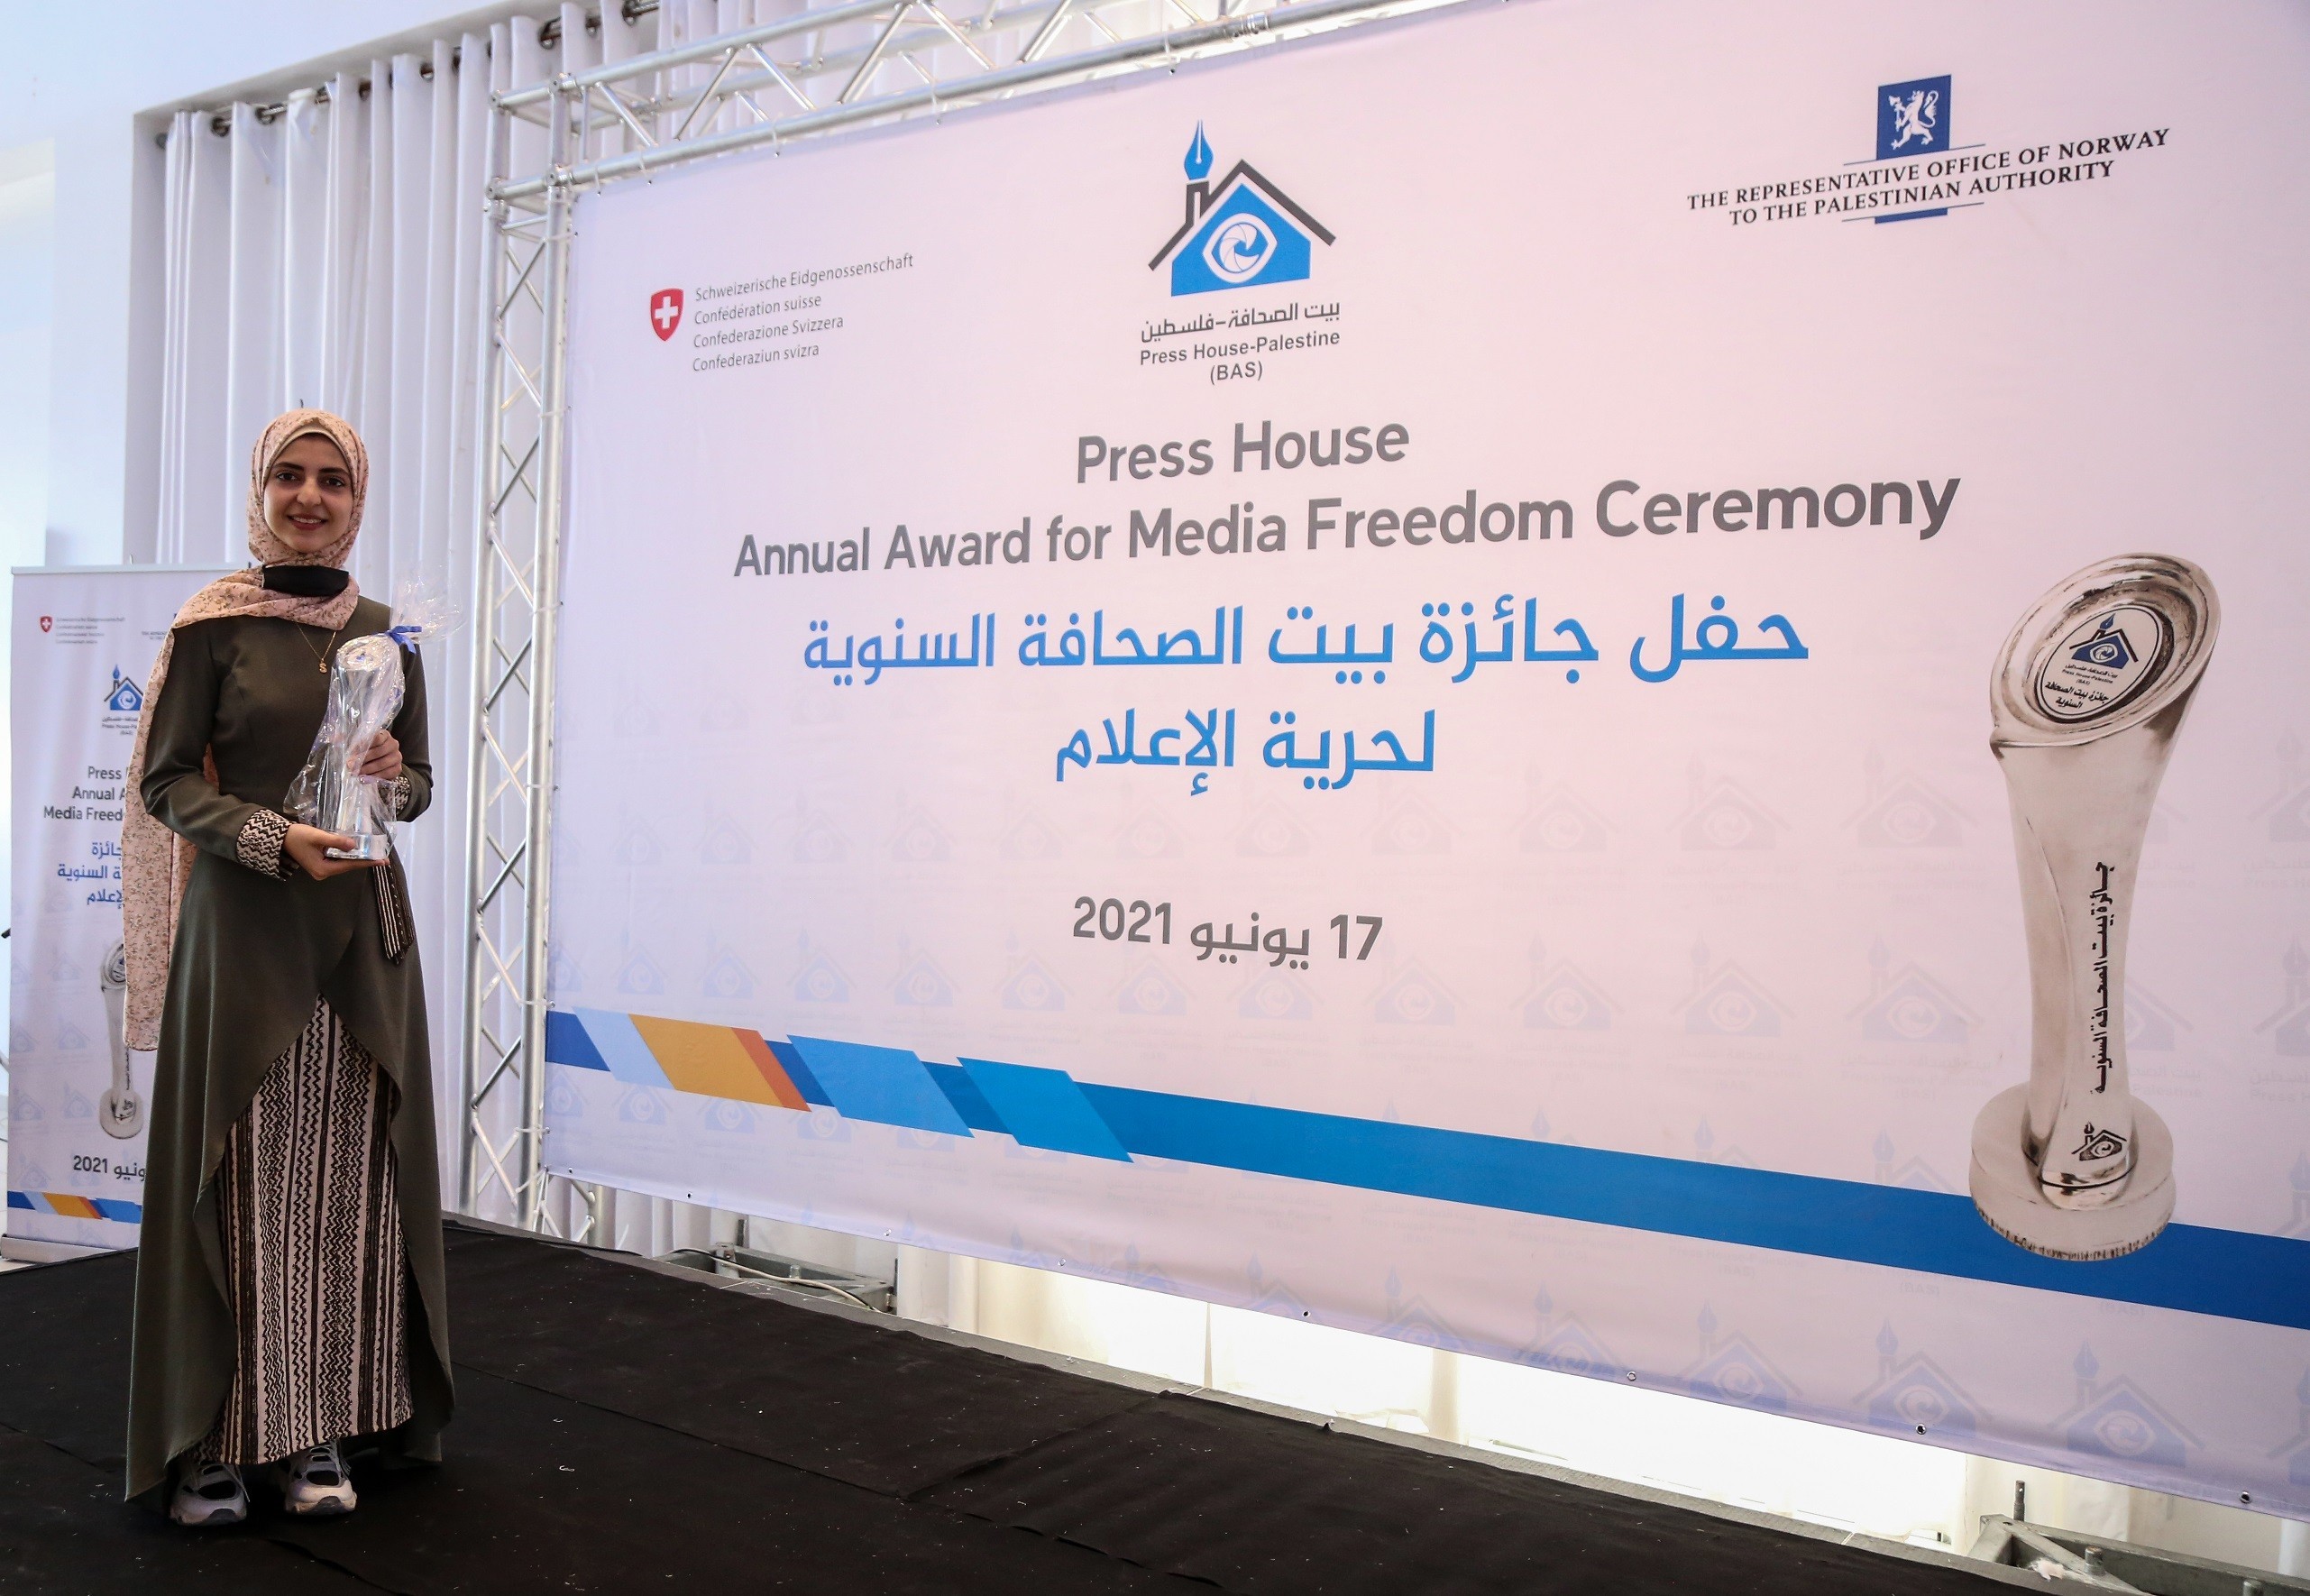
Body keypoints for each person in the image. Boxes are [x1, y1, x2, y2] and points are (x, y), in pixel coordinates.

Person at [120, 409, 454, 1525]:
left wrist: (394, 773)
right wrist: (269, 837)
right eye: (290, 477)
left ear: (358, 500)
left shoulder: (389, 632)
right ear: (260, 491)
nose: (310, 497)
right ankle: (210, 1440)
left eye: (333, 481)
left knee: (347, 1184)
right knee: (240, 1178)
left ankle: (318, 1431)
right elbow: (166, 781)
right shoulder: (212, 626)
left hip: (360, 935)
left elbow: (418, 787)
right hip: (246, 929)